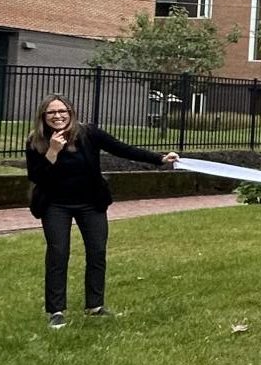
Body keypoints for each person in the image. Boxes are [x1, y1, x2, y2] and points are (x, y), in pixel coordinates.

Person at [24, 94, 178, 328]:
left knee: (97, 251)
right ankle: (56, 310)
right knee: (58, 253)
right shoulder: (36, 140)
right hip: (55, 205)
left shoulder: (88, 134)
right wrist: (53, 151)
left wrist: (159, 158)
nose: (58, 116)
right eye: (52, 113)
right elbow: (37, 177)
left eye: (62, 111)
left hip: (90, 203)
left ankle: (94, 305)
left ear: (71, 112)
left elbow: (121, 148)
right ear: (43, 117)